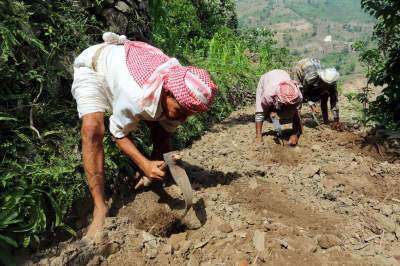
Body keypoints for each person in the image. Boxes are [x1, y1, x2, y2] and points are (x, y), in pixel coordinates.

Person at [71, 32, 218, 238]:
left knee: (162, 130)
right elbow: (118, 133)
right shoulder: (136, 95)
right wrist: (143, 163)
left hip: (127, 70)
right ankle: (99, 207)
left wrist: (157, 164)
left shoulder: (180, 92)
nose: (184, 119)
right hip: (95, 68)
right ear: (167, 93)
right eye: (182, 112)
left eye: (189, 115)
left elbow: (165, 132)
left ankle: (153, 176)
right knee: (92, 130)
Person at [255, 69, 303, 146]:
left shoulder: (298, 96)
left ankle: (295, 131)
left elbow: (297, 114)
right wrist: (271, 111)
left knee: (294, 112)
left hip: (283, 74)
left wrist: (294, 134)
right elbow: (261, 112)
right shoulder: (268, 94)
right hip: (267, 79)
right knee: (262, 111)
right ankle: (258, 135)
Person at [292, 58, 342, 130]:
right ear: (321, 80)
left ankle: (326, 121)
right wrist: (311, 104)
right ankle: (297, 124)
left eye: (329, 86)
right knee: (297, 95)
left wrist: (336, 120)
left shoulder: (332, 83)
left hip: (314, 65)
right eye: (325, 85)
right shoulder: (310, 79)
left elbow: (334, 100)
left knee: (325, 95)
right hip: (300, 68)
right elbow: (303, 93)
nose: (327, 87)